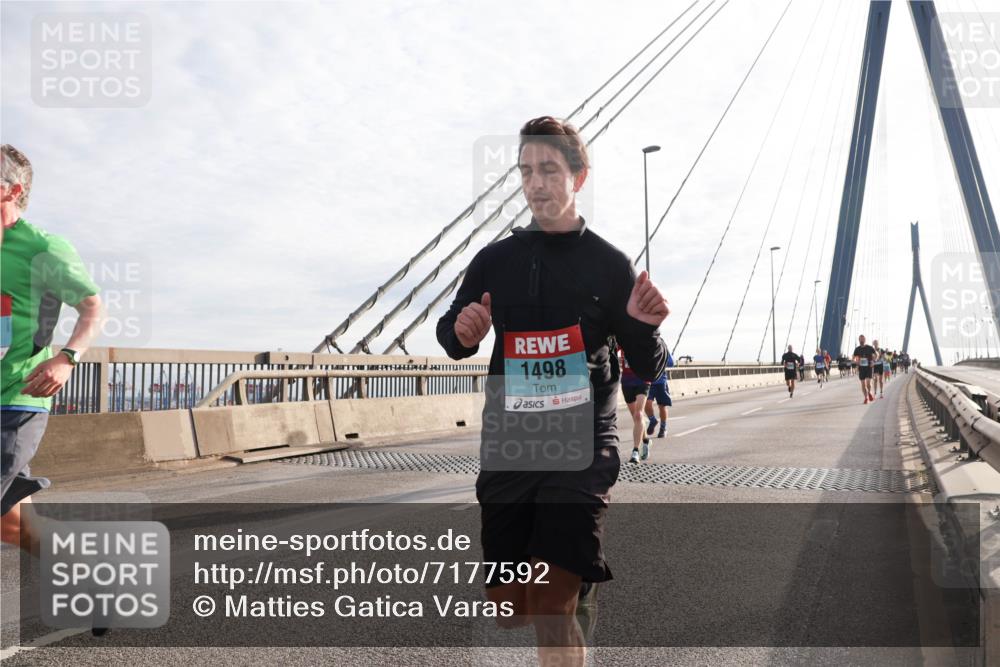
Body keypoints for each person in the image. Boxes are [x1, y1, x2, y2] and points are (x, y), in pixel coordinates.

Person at [437, 116, 669, 666]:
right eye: (525, 171)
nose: (535, 182)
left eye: (548, 169)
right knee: (509, 606)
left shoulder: (609, 265)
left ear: (578, 176)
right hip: (513, 445)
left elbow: (648, 364)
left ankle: (570, 578)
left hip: (582, 445)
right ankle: (574, 578)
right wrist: (461, 332)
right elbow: (453, 335)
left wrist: (643, 327)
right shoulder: (495, 261)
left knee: (551, 607)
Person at [1, 144, 103, 553]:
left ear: (11, 189)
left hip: (17, 400)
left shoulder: (44, 249)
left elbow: (92, 309)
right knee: (14, 527)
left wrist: (67, 358)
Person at [619, 349, 652, 463]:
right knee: (636, 417)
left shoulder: (645, 337)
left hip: (643, 380)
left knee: (638, 415)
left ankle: (635, 451)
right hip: (627, 382)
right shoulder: (622, 339)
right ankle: (646, 440)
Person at [644, 352, 673, 439]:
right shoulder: (643, 347)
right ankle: (652, 420)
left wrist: (662, 360)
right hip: (648, 381)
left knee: (662, 406)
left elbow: (671, 363)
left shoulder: (662, 347)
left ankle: (663, 428)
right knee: (647, 403)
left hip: (661, 382)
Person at [853, 334, 877, 404]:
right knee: (863, 384)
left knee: (868, 383)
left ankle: (869, 393)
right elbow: (853, 357)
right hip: (861, 368)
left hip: (869, 367)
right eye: (860, 339)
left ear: (865, 340)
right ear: (859, 340)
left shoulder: (869, 348)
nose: (861, 340)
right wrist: (856, 361)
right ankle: (866, 397)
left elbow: (876, 354)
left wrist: (874, 361)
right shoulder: (857, 349)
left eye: (863, 339)